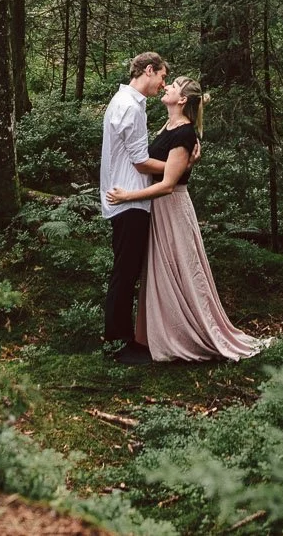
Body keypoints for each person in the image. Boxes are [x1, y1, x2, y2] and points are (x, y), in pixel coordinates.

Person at [106, 76, 267, 363]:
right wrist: (184, 166)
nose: (167, 85)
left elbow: (168, 184)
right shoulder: (168, 126)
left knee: (181, 267)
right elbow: (160, 165)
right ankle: (160, 332)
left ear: (182, 100)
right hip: (159, 209)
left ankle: (190, 331)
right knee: (162, 271)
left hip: (172, 206)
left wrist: (127, 196)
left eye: (174, 84)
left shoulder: (184, 133)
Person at [101, 51, 172, 362]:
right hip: (128, 199)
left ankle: (124, 338)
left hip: (127, 197)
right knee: (125, 272)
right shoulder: (130, 107)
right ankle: (118, 343)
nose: (162, 84)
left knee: (126, 270)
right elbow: (141, 162)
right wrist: (178, 167)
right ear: (148, 70)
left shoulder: (126, 103)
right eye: (162, 77)